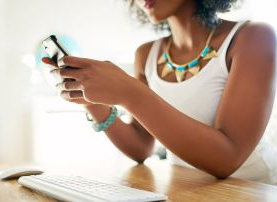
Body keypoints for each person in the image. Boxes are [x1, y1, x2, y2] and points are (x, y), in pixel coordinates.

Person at [42, 0, 277, 184]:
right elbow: (140, 147)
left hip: (252, 189)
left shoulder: (254, 37)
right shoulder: (146, 55)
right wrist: (91, 102)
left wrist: (129, 91)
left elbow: (227, 159)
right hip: (190, 189)